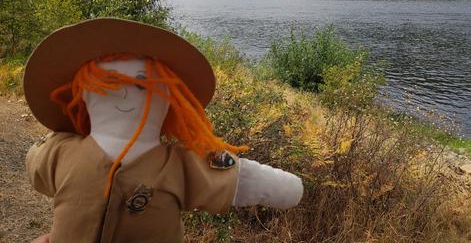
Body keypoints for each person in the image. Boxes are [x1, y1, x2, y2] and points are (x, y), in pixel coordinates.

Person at [25, 18, 303, 243]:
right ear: (82, 94)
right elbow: (35, 162)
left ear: (171, 98)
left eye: (140, 85)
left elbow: (239, 179)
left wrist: (282, 187)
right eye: (109, 83)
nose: (123, 94)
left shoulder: (178, 165)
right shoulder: (62, 152)